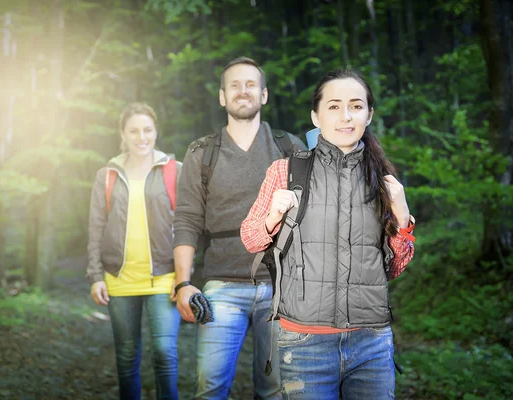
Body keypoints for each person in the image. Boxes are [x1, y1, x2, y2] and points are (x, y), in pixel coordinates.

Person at [241, 69, 416, 400]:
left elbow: (392, 268)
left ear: (369, 114)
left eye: (356, 106)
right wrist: (274, 215)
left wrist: (402, 216)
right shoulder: (287, 171)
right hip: (304, 344)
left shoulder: (383, 179)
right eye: (334, 106)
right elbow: (250, 238)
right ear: (316, 116)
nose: (345, 116)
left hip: (372, 344)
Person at [171, 56, 307, 399]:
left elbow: (311, 219)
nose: (242, 91)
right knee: (210, 388)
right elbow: (186, 220)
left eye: (250, 84)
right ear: (222, 96)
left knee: (277, 390)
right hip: (221, 289)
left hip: (281, 290)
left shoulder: (290, 148)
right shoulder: (202, 153)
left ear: (263, 95)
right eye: (234, 85)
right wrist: (183, 284)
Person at [87, 102, 182, 400]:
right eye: (134, 131)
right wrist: (95, 275)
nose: (141, 137)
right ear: (123, 134)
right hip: (119, 278)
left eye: (147, 130)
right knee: (127, 358)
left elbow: (188, 226)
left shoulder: (174, 171)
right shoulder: (107, 175)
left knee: (165, 354)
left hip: (165, 277)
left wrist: (185, 277)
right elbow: (95, 227)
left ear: (156, 131)